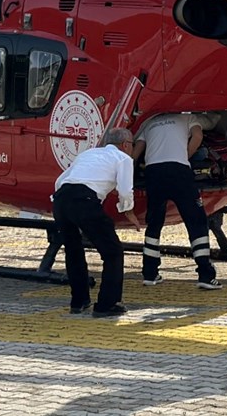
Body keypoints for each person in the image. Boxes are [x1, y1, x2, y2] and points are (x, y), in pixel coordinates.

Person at [52, 127, 142, 318]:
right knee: (113, 252)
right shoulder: (124, 159)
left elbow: (61, 180)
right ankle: (106, 305)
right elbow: (126, 190)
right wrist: (129, 212)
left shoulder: (88, 153)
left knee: (73, 250)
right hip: (85, 201)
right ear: (126, 145)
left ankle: (79, 301)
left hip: (61, 199)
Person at [132, 112, 222, 290]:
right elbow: (198, 135)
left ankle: (149, 273)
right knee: (196, 220)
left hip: (154, 172)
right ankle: (205, 274)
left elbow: (135, 154)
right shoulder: (187, 118)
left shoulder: (148, 122)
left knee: (154, 222)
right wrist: (185, 155)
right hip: (179, 170)